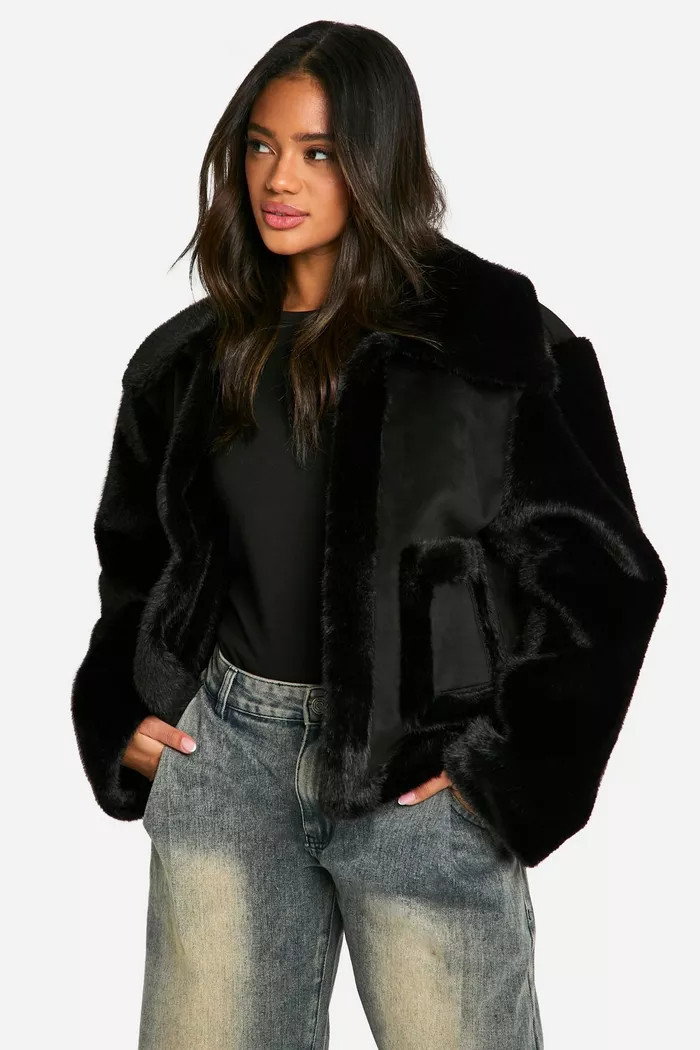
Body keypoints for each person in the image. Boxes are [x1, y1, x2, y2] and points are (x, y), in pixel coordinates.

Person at [70, 20, 667, 1050]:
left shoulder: (492, 342)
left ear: (378, 163)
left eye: (319, 152)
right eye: (261, 145)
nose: (279, 178)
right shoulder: (187, 362)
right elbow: (140, 562)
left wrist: (502, 767)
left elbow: (604, 576)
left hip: (415, 774)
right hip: (224, 763)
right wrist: (122, 703)